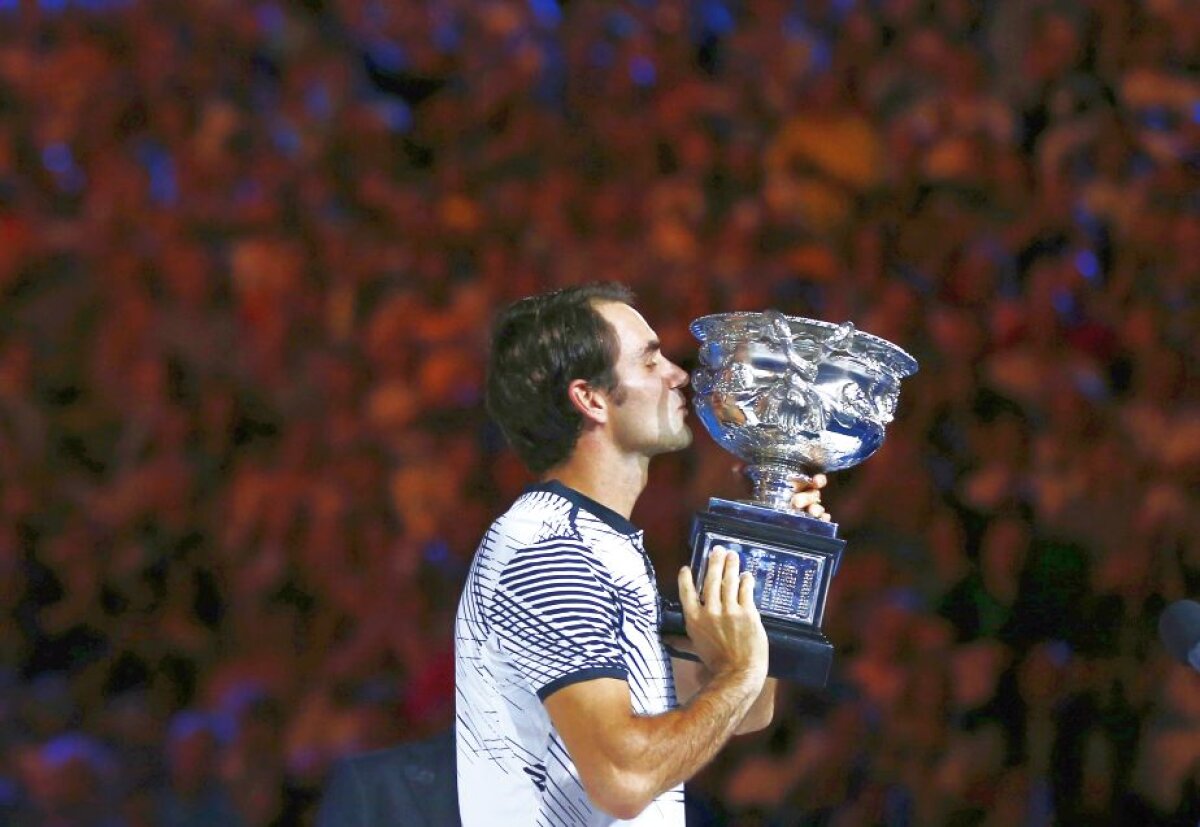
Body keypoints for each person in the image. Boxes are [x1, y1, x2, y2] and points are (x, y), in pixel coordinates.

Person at [455, 283, 829, 824]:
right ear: (591, 399)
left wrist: (775, 542)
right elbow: (624, 778)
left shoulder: (602, 545)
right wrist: (739, 675)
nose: (679, 375)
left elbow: (744, 709)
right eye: (651, 361)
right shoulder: (549, 550)